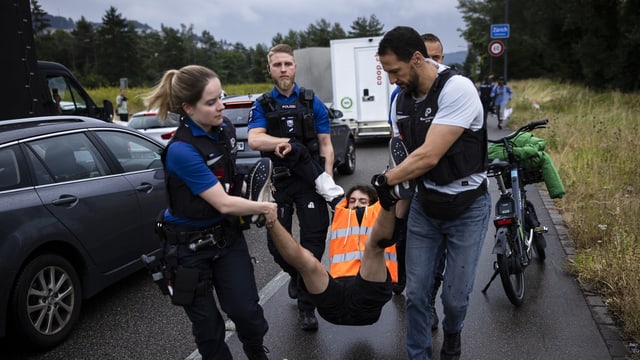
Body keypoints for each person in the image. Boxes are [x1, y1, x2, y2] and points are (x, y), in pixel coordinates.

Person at [143, 65, 277, 360]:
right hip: (187, 251)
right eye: (211, 102)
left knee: (247, 312)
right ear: (187, 108)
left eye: (221, 97)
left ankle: (256, 352)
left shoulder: (226, 129)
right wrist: (264, 207)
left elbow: (230, 180)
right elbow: (224, 202)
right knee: (208, 329)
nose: (221, 106)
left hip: (226, 239)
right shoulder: (181, 151)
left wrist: (252, 188)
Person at [375, 26, 491, 360]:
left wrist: (384, 180)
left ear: (416, 59)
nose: (392, 80)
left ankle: (452, 335)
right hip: (426, 206)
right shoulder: (400, 100)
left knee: (455, 298)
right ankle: (419, 355)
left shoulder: (457, 89)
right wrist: (396, 213)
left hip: (467, 206)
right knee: (417, 294)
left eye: (395, 71)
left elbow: (428, 156)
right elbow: (405, 156)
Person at [248, 43, 339, 331]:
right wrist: (286, 144)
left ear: (295, 66)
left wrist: (326, 182)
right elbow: (255, 140)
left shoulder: (313, 101)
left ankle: (305, 306)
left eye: (288, 64)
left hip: (310, 183)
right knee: (277, 248)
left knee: (313, 244)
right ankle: (300, 277)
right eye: (278, 65)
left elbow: (326, 144)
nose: (283, 69)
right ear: (270, 69)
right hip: (280, 183)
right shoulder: (262, 104)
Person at [246, 159, 399, 326]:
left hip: (369, 295)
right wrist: (299, 153)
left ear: (373, 202)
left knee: (374, 246)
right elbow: (322, 181)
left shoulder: (381, 213)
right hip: (335, 296)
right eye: (353, 201)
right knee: (307, 263)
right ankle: (267, 214)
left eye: (362, 201)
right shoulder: (341, 210)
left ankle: (393, 188)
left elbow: (403, 211)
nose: (356, 204)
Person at [388, 33, 447, 332]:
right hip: (410, 178)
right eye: (429, 58)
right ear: (417, 57)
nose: (433, 63)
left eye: (438, 58)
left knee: (438, 253)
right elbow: (398, 141)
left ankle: (430, 304)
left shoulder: (451, 89)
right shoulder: (401, 93)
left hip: (440, 184)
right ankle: (400, 274)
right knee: (402, 228)